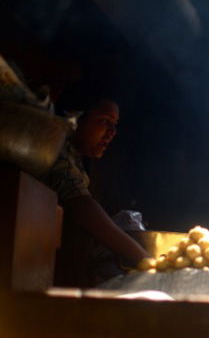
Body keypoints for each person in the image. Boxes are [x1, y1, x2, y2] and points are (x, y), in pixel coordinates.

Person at [42, 91, 149, 279]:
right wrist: (145, 258)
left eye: (114, 125)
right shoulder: (54, 148)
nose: (112, 132)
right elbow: (80, 205)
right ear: (75, 119)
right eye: (104, 121)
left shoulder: (76, 159)